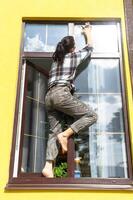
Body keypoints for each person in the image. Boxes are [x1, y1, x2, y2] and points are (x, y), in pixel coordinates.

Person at [42, 23, 97, 177]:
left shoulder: (55, 61)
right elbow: (89, 48)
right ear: (72, 49)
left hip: (48, 97)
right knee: (91, 115)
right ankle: (65, 135)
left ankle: (48, 166)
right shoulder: (73, 57)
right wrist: (88, 32)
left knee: (54, 131)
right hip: (61, 94)